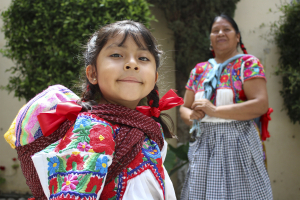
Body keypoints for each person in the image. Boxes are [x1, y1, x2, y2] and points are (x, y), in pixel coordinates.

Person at [4, 20, 182, 200]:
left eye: (143, 58)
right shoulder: (92, 130)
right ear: (92, 74)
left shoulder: (150, 128)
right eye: (116, 55)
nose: (132, 64)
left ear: (155, 77)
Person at [179, 14, 273, 200]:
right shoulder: (199, 70)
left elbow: (260, 104)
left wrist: (214, 111)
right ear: (210, 39)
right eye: (215, 31)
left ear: (237, 36)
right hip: (204, 144)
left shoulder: (247, 64)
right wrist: (193, 115)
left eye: (226, 29)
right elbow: (184, 108)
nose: (220, 33)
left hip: (239, 144)